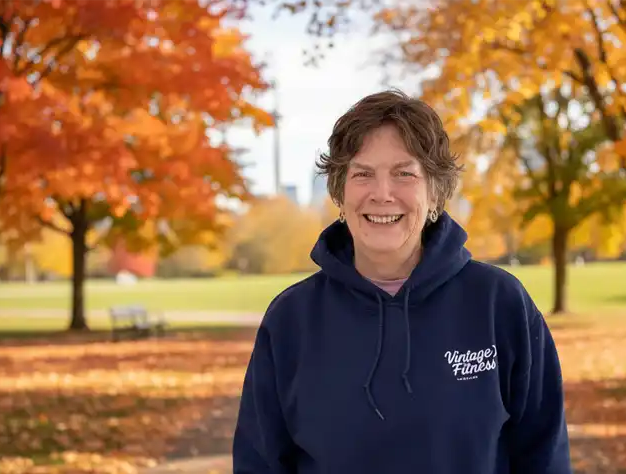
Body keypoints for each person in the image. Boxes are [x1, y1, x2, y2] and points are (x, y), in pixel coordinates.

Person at [232, 90, 572, 473]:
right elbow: (258, 464)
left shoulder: (499, 304)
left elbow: (545, 457)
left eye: (404, 174)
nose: (382, 194)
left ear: (435, 193)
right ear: (340, 194)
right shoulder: (291, 319)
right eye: (363, 174)